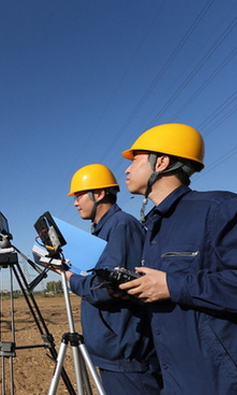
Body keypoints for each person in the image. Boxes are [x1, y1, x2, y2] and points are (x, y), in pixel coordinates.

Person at [120, 123, 237, 393]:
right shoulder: (153, 226)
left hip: (220, 382)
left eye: (135, 160)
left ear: (161, 162)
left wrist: (174, 286)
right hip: (175, 378)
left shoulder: (220, 208)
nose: (127, 169)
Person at [64, 164, 162, 394]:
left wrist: (70, 278)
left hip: (127, 358)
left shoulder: (121, 226)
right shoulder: (104, 230)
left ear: (98, 194)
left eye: (78, 196)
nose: (75, 203)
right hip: (113, 353)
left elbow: (106, 287)